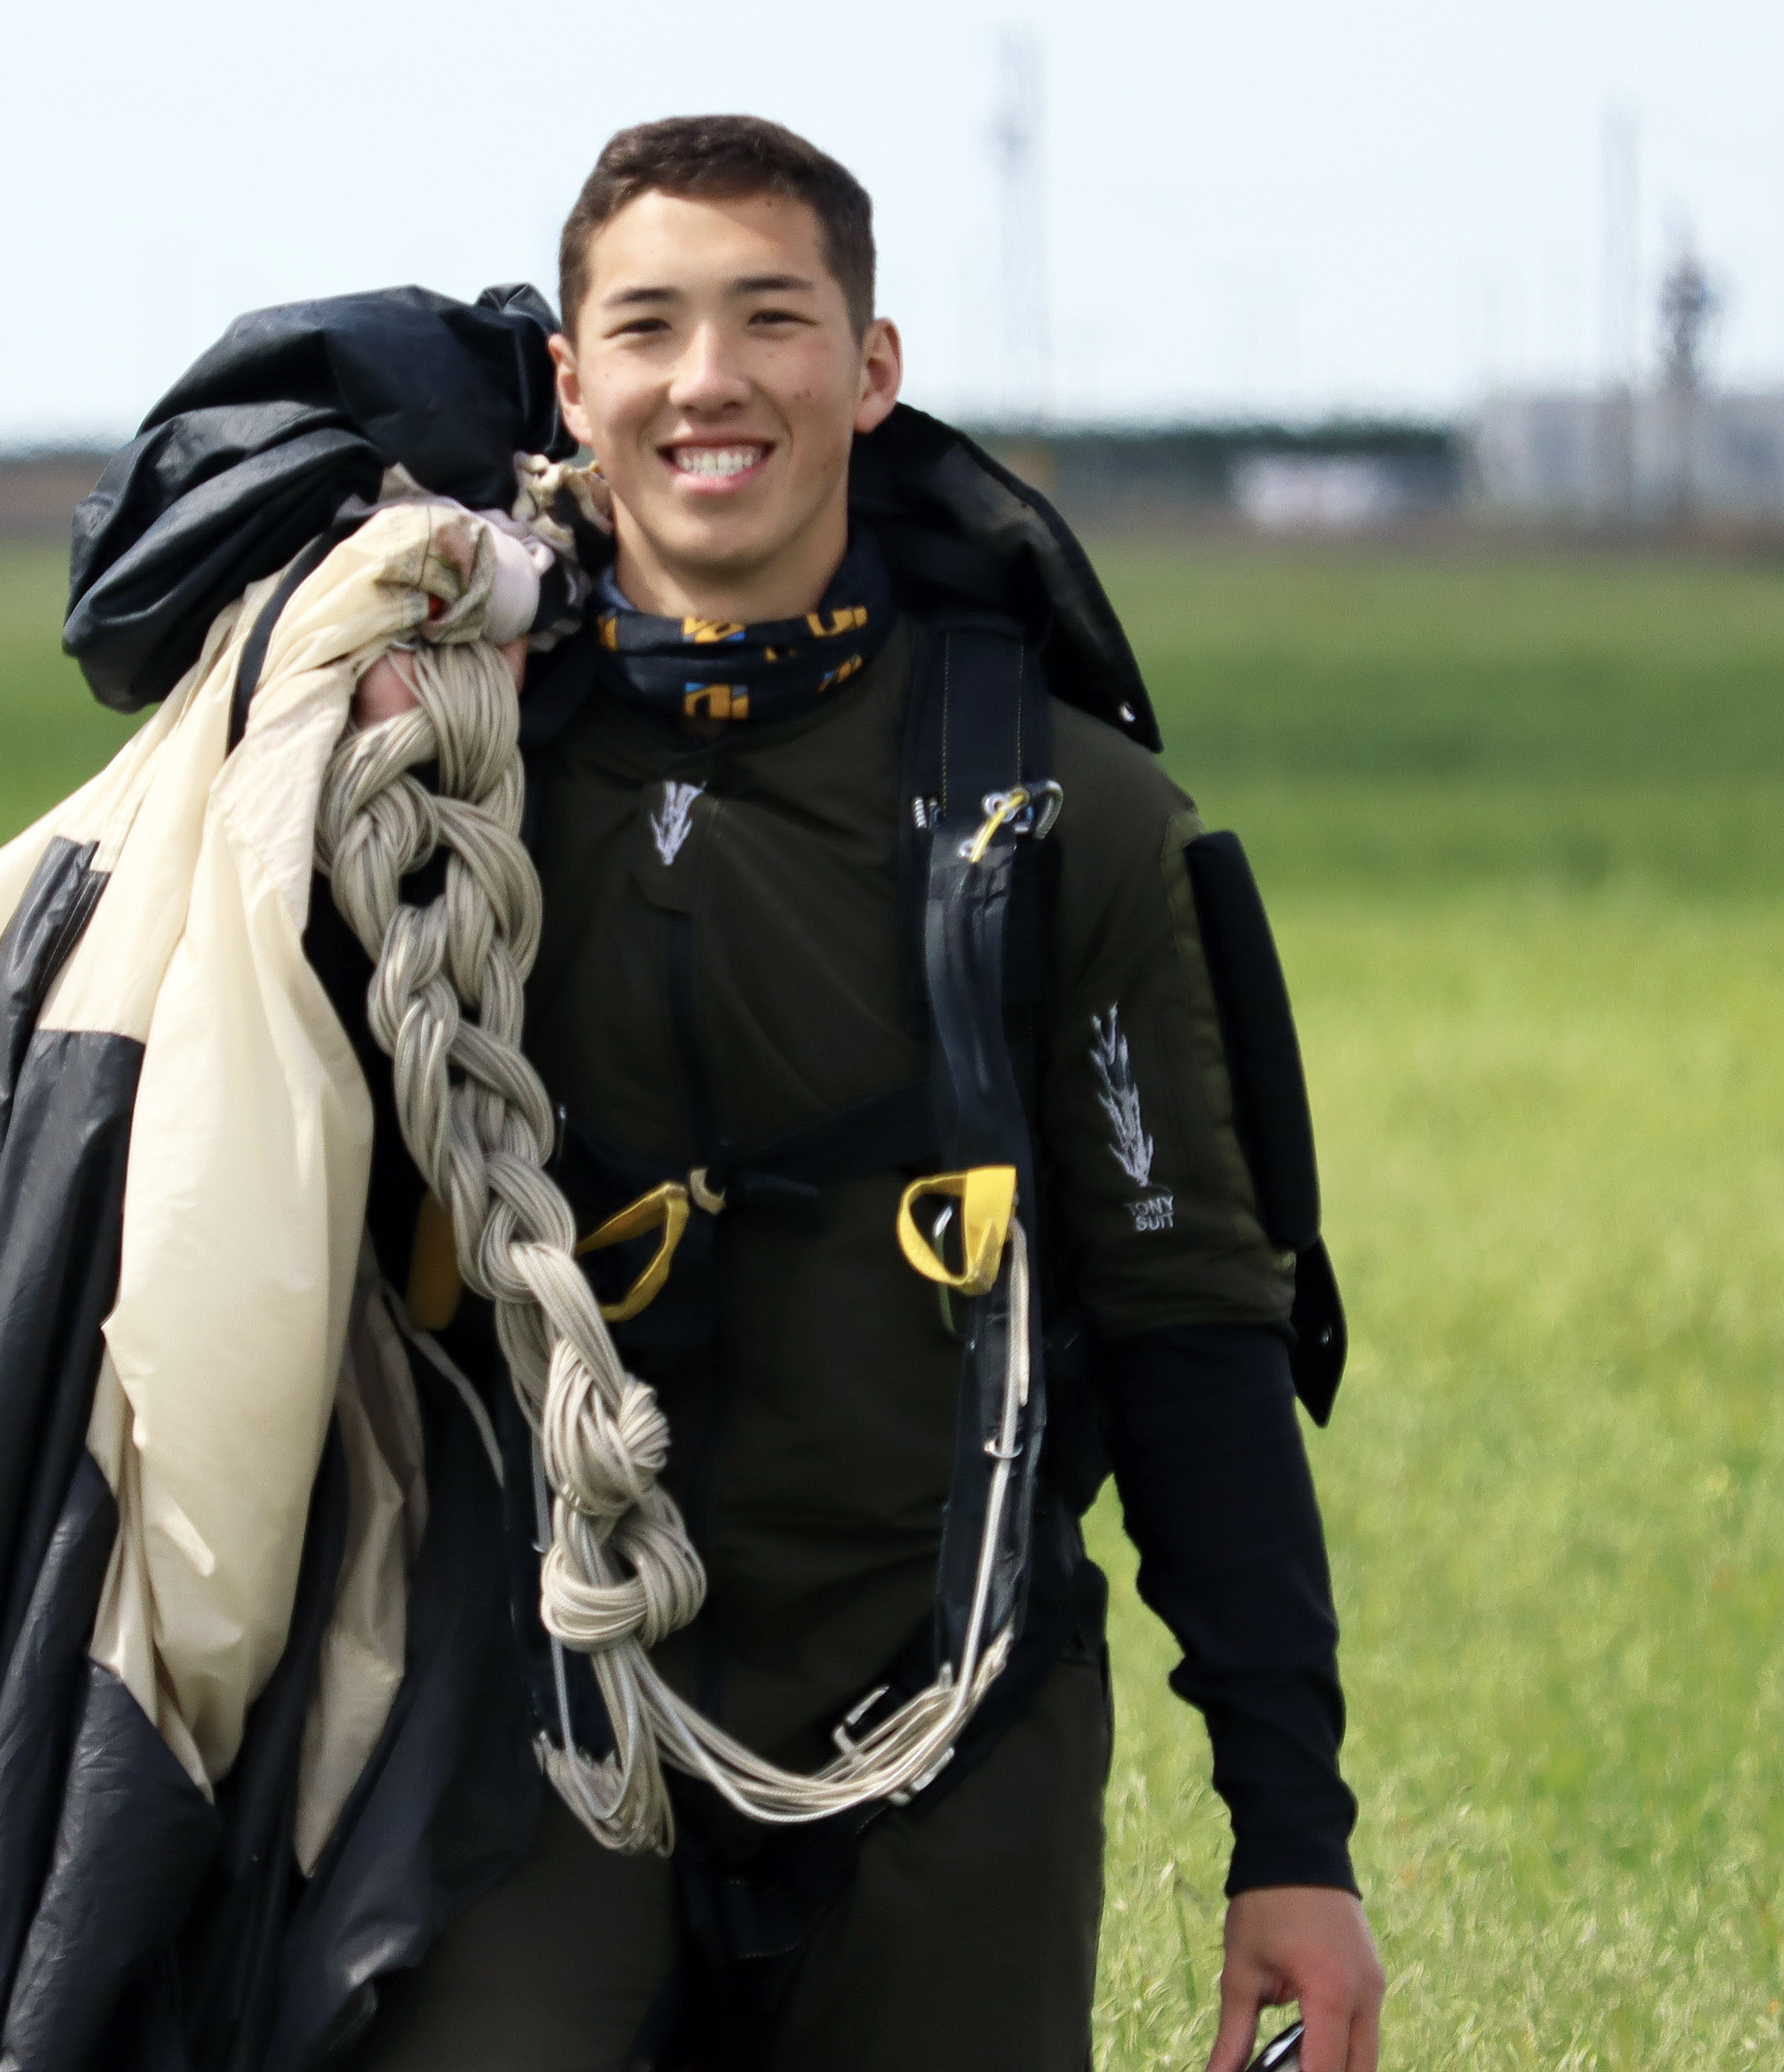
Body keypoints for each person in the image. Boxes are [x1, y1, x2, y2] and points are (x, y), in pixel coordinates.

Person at [342, 117, 1385, 2072]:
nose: (710, 378)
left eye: (772, 318)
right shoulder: (420, 796)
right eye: (648, 327)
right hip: (531, 1734)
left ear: (874, 367)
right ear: (573, 385)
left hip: (947, 1744)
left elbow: (1196, 1340)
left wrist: (1293, 1837)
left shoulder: (1063, 814)